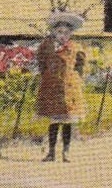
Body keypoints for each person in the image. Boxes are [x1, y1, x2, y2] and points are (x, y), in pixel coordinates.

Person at [36, 11, 88, 162]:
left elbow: (81, 65)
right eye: (59, 32)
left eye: (66, 32)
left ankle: (66, 152)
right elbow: (41, 62)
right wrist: (47, 76)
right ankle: (51, 152)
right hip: (52, 88)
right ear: (54, 32)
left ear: (71, 33)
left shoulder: (75, 47)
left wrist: (75, 78)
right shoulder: (47, 46)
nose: (63, 35)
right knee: (54, 122)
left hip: (69, 89)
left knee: (67, 122)